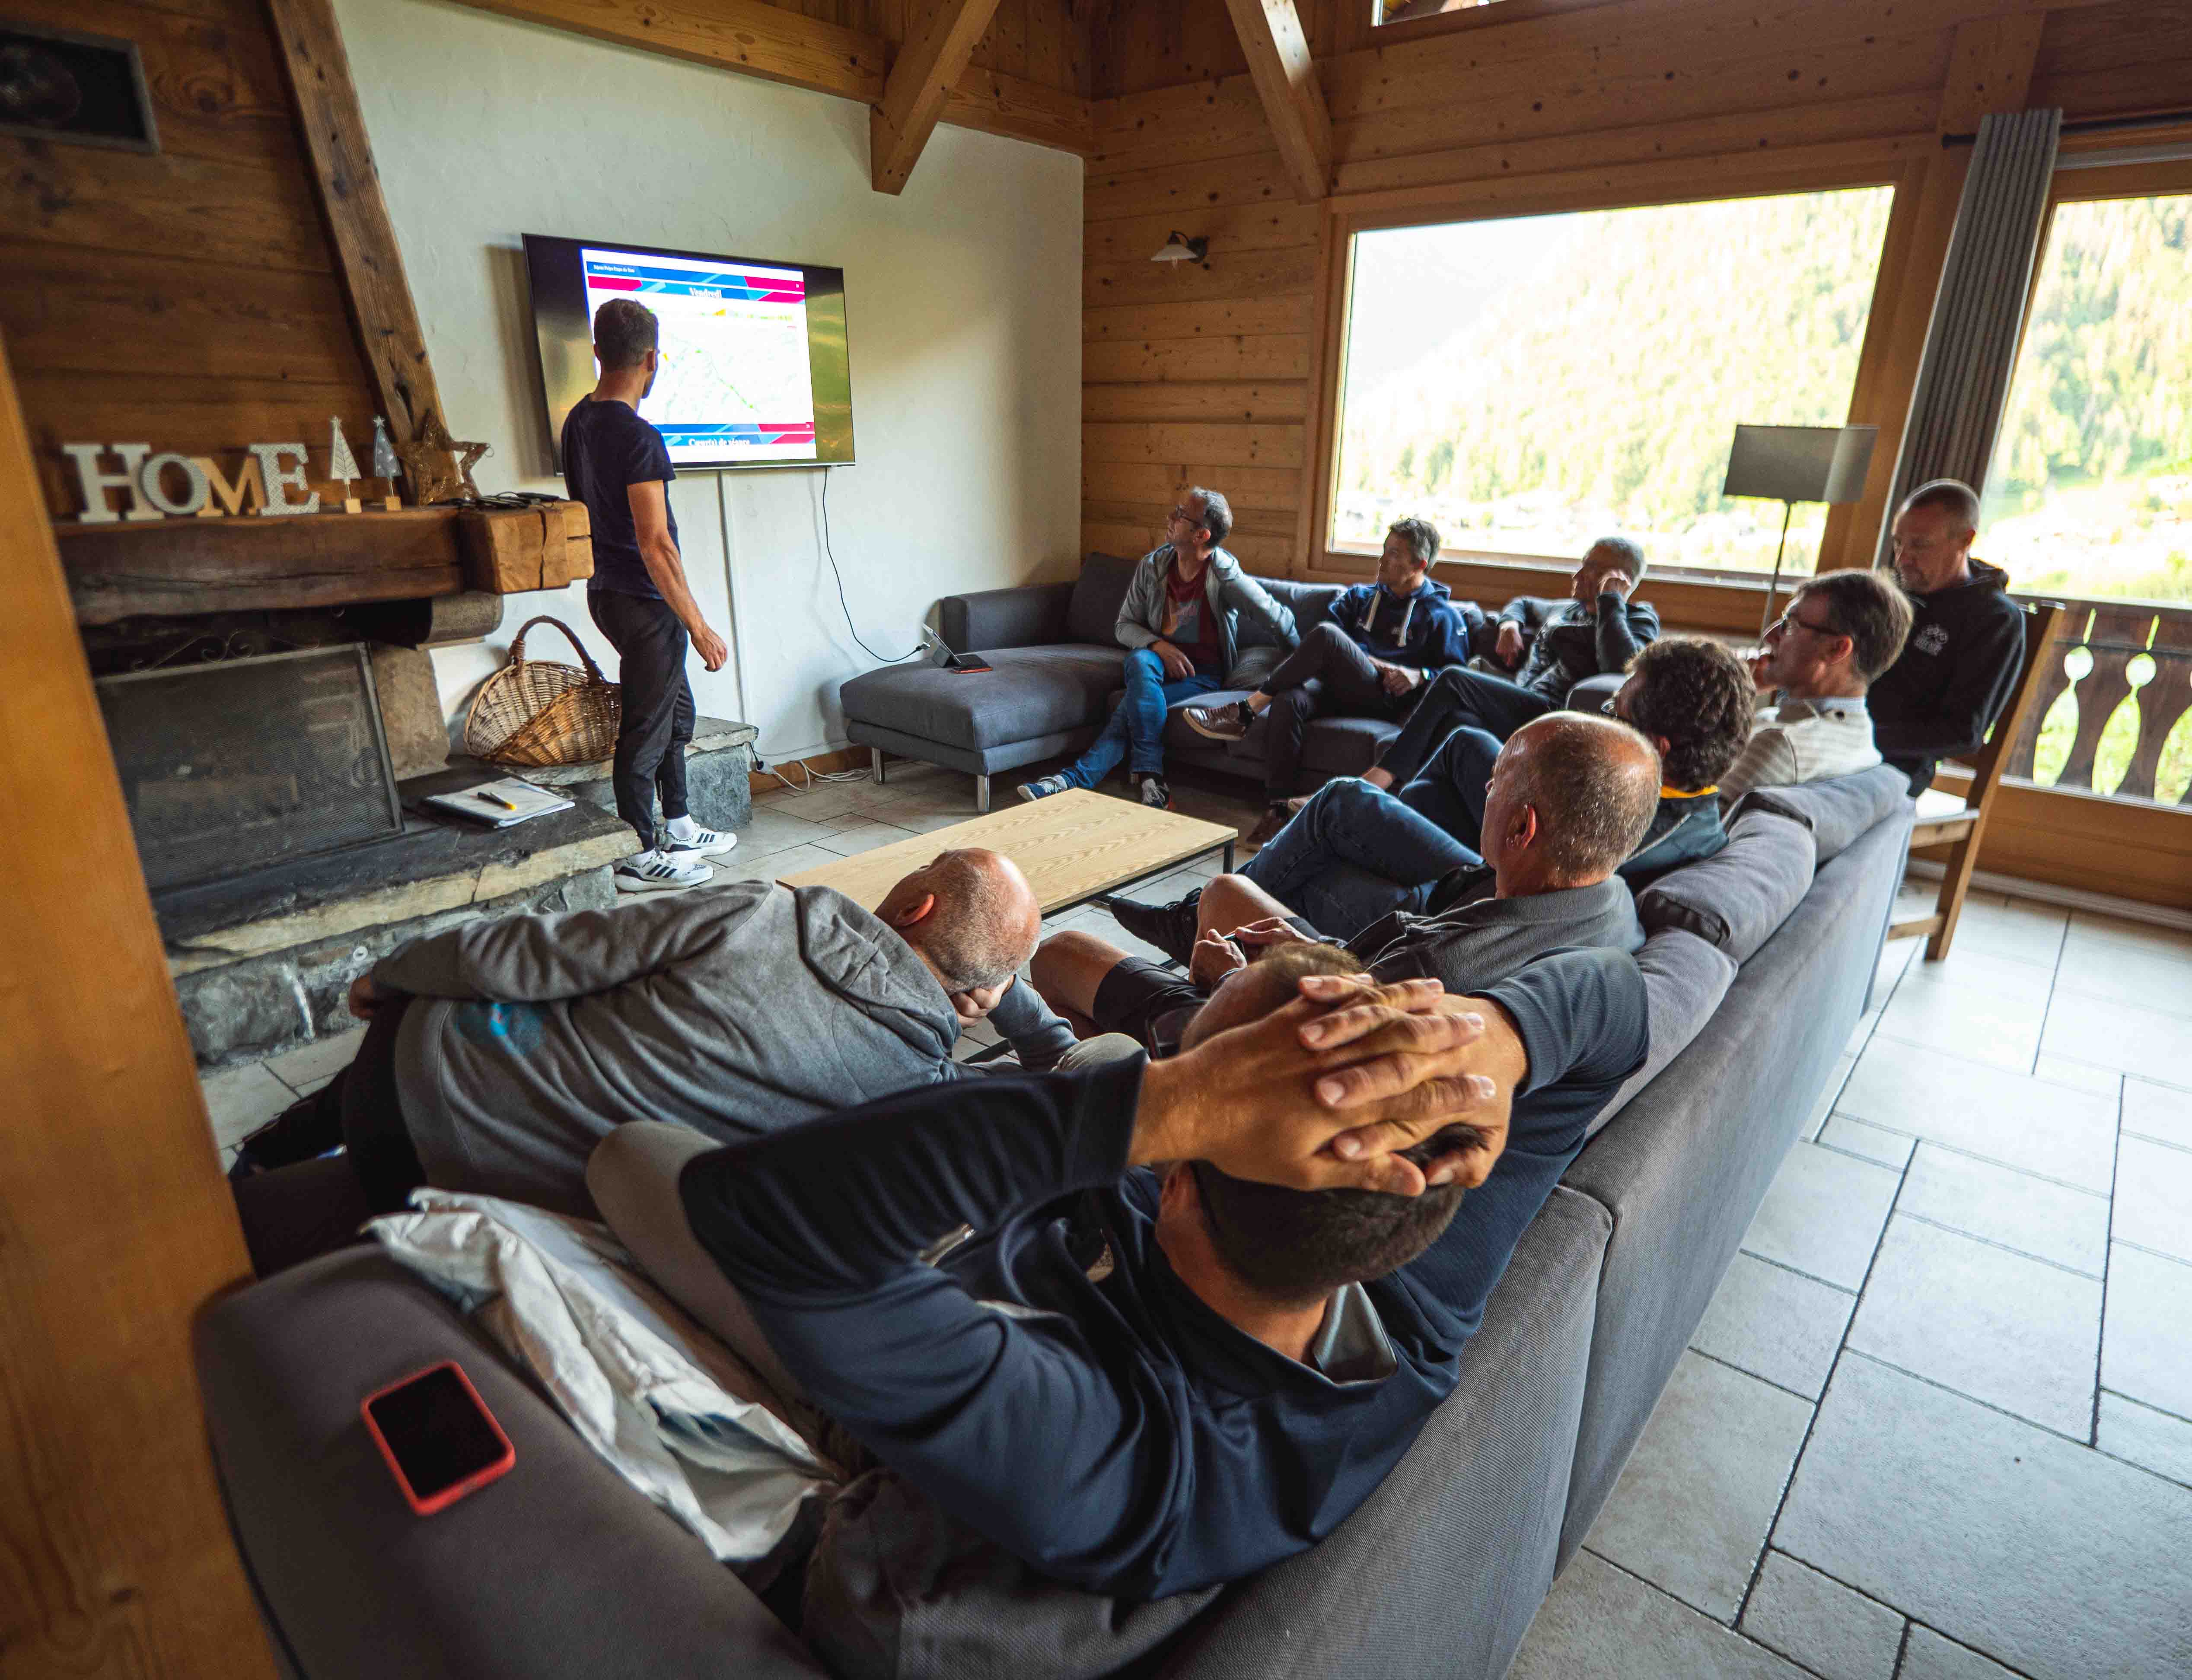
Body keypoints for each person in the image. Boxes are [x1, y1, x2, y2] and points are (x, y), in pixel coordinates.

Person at [609, 939, 1650, 1599]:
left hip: (899, 1310)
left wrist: (1159, 1105)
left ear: (1180, 1180)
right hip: (1027, 1222)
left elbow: (758, 1217)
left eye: (1186, 1072)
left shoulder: (1121, 1458)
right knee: (1089, 1059)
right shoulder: (1416, 1286)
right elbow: (1611, 1001)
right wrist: (1496, 1035)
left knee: (631, 1152)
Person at [230, 850, 1126, 1230]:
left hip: (416, 1065)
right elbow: (1058, 1066)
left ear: (912, 905)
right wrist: (995, 993)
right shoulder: (911, 1097)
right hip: (474, 1187)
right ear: (976, 995)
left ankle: (265, 1154)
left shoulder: (760, 912)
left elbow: (546, 952)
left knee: (425, 1033)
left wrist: (395, 972)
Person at [1038, 713, 1655, 1054]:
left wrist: (1225, 980)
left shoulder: (1439, 964)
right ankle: (1183, 940)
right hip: (1356, 971)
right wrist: (1306, 953)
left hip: (1269, 1042)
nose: (1485, 792)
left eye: (1495, 783)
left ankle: (1134, 1098)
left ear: (1523, 828)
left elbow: (1293, 1043)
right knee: (1223, 896)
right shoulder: (1613, 901)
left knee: (1058, 953)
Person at [1113, 638, 1755, 955]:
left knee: (1340, 803)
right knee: (1464, 745)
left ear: (1659, 746)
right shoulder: (1683, 800)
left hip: (1489, 885)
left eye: (1619, 707)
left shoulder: (1643, 824)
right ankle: (1335, 843)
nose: (1610, 712)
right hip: (1505, 866)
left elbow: (1536, 888)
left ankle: (1195, 916)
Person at [563, 296, 737, 892]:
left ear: (597, 353)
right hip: (643, 599)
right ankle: (637, 854)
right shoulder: (638, 437)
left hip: (606, 593)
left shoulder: (578, 421)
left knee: (673, 712)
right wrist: (699, 625)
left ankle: (680, 824)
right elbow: (656, 543)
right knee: (646, 726)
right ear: (652, 359)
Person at [1180, 516, 1470, 844]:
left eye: (1393, 554)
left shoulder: (1443, 616)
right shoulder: (1359, 598)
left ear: (1419, 564)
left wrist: (1420, 676)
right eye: (1384, 550)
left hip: (1387, 698)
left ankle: (1244, 712)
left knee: (1328, 636)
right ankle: (1280, 808)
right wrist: (1369, 659)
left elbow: (1455, 677)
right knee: (1289, 698)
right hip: (1338, 687)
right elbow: (1318, 644)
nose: (1382, 559)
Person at [1018, 487, 1297, 811]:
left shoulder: (1225, 578)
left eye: (1181, 515)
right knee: (1139, 661)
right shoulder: (1153, 566)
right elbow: (1124, 625)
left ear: (1201, 535)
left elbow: (1279, 618)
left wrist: (1295, 666)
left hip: (1203, 676)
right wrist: (1158, 645)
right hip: (1154, 665)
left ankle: (1072, 781)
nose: (1171, 517)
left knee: (1128, 709)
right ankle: (1151, 779)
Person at [1363, 537, 1661, 792]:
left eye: (1591, 569)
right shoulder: (1568, 610)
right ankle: (1409, 799)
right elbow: (1523, 603)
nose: (1578, 574)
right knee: (1460, 722)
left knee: (1455, 678)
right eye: (1582, 564)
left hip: (1556, 715)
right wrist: (1509, 625)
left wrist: (1611, 602)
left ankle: (1380, 777)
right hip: (1522, 702)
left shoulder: (1637, 619)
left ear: (1619, 577)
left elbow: (1621, 668)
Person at [1870, 478, 2029, 795]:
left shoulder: (1994, 620)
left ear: (1965, 540)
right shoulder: (1887, 596)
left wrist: (1860, 736)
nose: (1902, 558)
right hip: (1835, 742)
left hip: (1895, 769)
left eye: (1920, 545)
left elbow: (1962, 733)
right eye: (1898, 543)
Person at [1718, 567, 1915, 803]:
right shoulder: (1862, 738)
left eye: (1789, 626)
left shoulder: (1781, 745)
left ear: (1836, 649)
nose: (1769, 636)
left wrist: (1717, 695)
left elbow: (1684, 827)